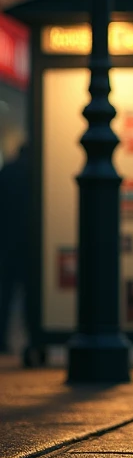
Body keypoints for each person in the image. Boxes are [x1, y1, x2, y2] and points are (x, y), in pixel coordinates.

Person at [0, 142, 30, 353]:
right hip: (29, 242)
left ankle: (1, 339)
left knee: (5, 293)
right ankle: (33, 337)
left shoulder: (7, 172)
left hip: (6, 241)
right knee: (31, 293)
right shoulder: (35, 173)